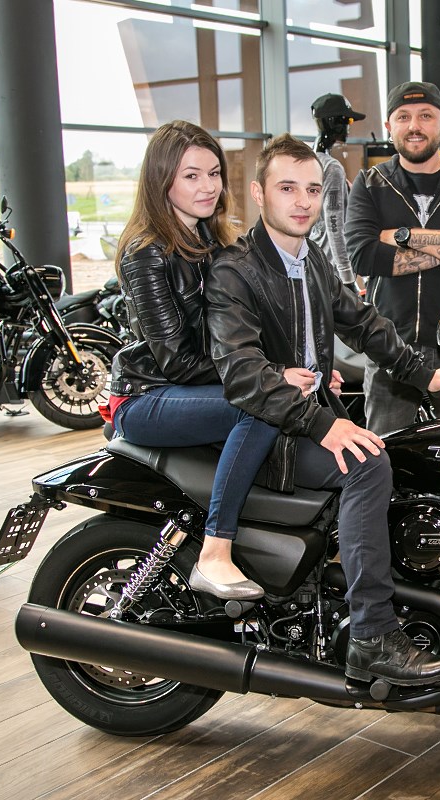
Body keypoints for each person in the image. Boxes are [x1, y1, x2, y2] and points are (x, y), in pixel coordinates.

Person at [205, 133, 440, 687]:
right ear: (259, 194)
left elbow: (361, 323)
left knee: (404, 455)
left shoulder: (312, 259)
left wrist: (424, 373)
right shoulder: (235, 269)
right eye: (287, 188)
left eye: (313, 190)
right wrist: (326, 423)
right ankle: (372, 635)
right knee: (369, 464)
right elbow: (244, 373)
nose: (303, 201)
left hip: (303, 412)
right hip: (272, 427)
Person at [107, 120, 279, 600]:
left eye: (214, 173)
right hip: (146, 395)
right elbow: (177, 362)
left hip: (194, 388)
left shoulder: (217, 244)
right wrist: (263, 375)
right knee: (260, 403)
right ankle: (215, 552)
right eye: (191, 176)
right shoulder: (146, 253)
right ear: (162, 180)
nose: (208, 186)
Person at [344, 80, 440, 435]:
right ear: (389, 127)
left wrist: (401, 237)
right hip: (389, 345)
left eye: (425, 116)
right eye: (403, 117)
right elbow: (364, 256)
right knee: (387, 455)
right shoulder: (370, 183)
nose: (414, 126)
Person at [310, 92, 365, 288]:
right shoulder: (331, 168)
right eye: (347, 121)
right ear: (334, 122)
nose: (349, 127)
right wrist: (348, 278)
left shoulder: (309, 162)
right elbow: (334, 224)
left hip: (314, 266)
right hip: (333, 274)